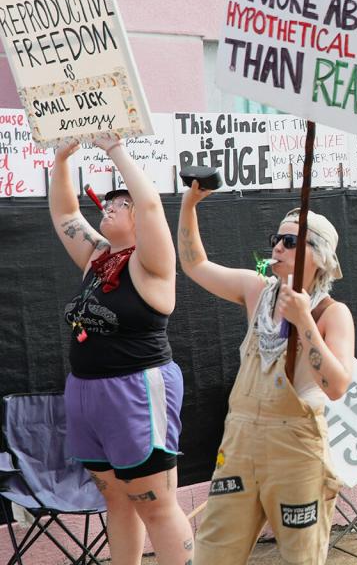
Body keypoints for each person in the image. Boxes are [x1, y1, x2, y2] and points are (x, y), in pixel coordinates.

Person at [178, 184, 354, 564]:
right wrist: (190, 204)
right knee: (213, 552)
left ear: (319, 257)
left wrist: (303, 320)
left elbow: (337, 386)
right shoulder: (256, 289)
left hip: (296, 450)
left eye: (291, 242)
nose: (277, 247)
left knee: (300, 556)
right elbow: (195, 264)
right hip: (240, 442)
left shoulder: (332, 313)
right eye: (277, 238)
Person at [50, 137, 193, 565]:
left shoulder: (150, 264)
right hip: (88, 391)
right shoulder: (98, 257)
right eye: (107, 201)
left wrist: (115, 150)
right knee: (117, 502)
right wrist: (61, 159)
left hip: (136, 389)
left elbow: (150, 208)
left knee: (156, 505)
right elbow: (65, 213)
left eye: (120, 202)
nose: (109, 205)